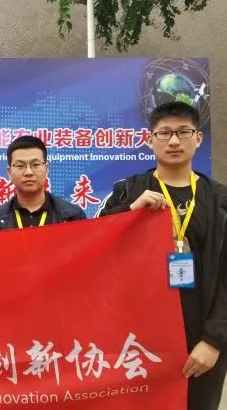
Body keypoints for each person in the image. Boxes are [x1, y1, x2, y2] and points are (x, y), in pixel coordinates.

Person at [99, 101, 227, 410]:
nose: (173, 141)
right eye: (164, 133)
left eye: (183, 132)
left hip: (201, 342)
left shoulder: (220, 200)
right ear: (149, 139)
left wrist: (215, 340)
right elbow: (95, 246)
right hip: (137, 341)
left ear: (198, 138)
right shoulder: (127, 192)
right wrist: (129, 212)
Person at [0, 135, 85, 230]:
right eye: (20, 166)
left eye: (35, 164)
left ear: (47, 169)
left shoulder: (73, 216)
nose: (28, 172)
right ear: (9, 172)